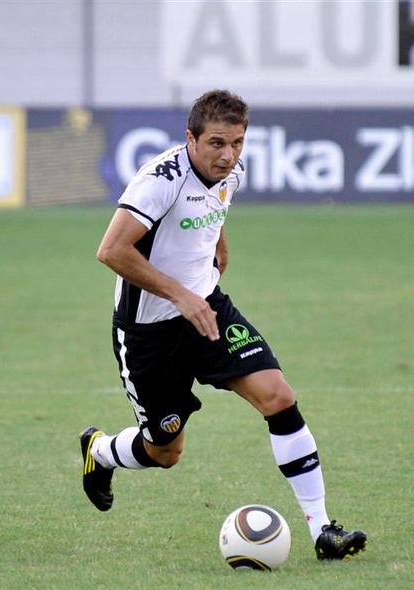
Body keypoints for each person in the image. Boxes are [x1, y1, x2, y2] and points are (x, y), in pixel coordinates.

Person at [80, 90, 367, 560]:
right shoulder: (159, 180)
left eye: (237, 143)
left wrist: (218, 246)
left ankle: (323, 530)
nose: (228, 155)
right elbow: (111, 250)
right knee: (165, 451)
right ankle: (101, 451)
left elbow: (212, 208)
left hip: (208, 311)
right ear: (190, 139)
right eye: (216, 143)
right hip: (149, 333)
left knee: (278, 396)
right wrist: (180, 294)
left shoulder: (231, 171)